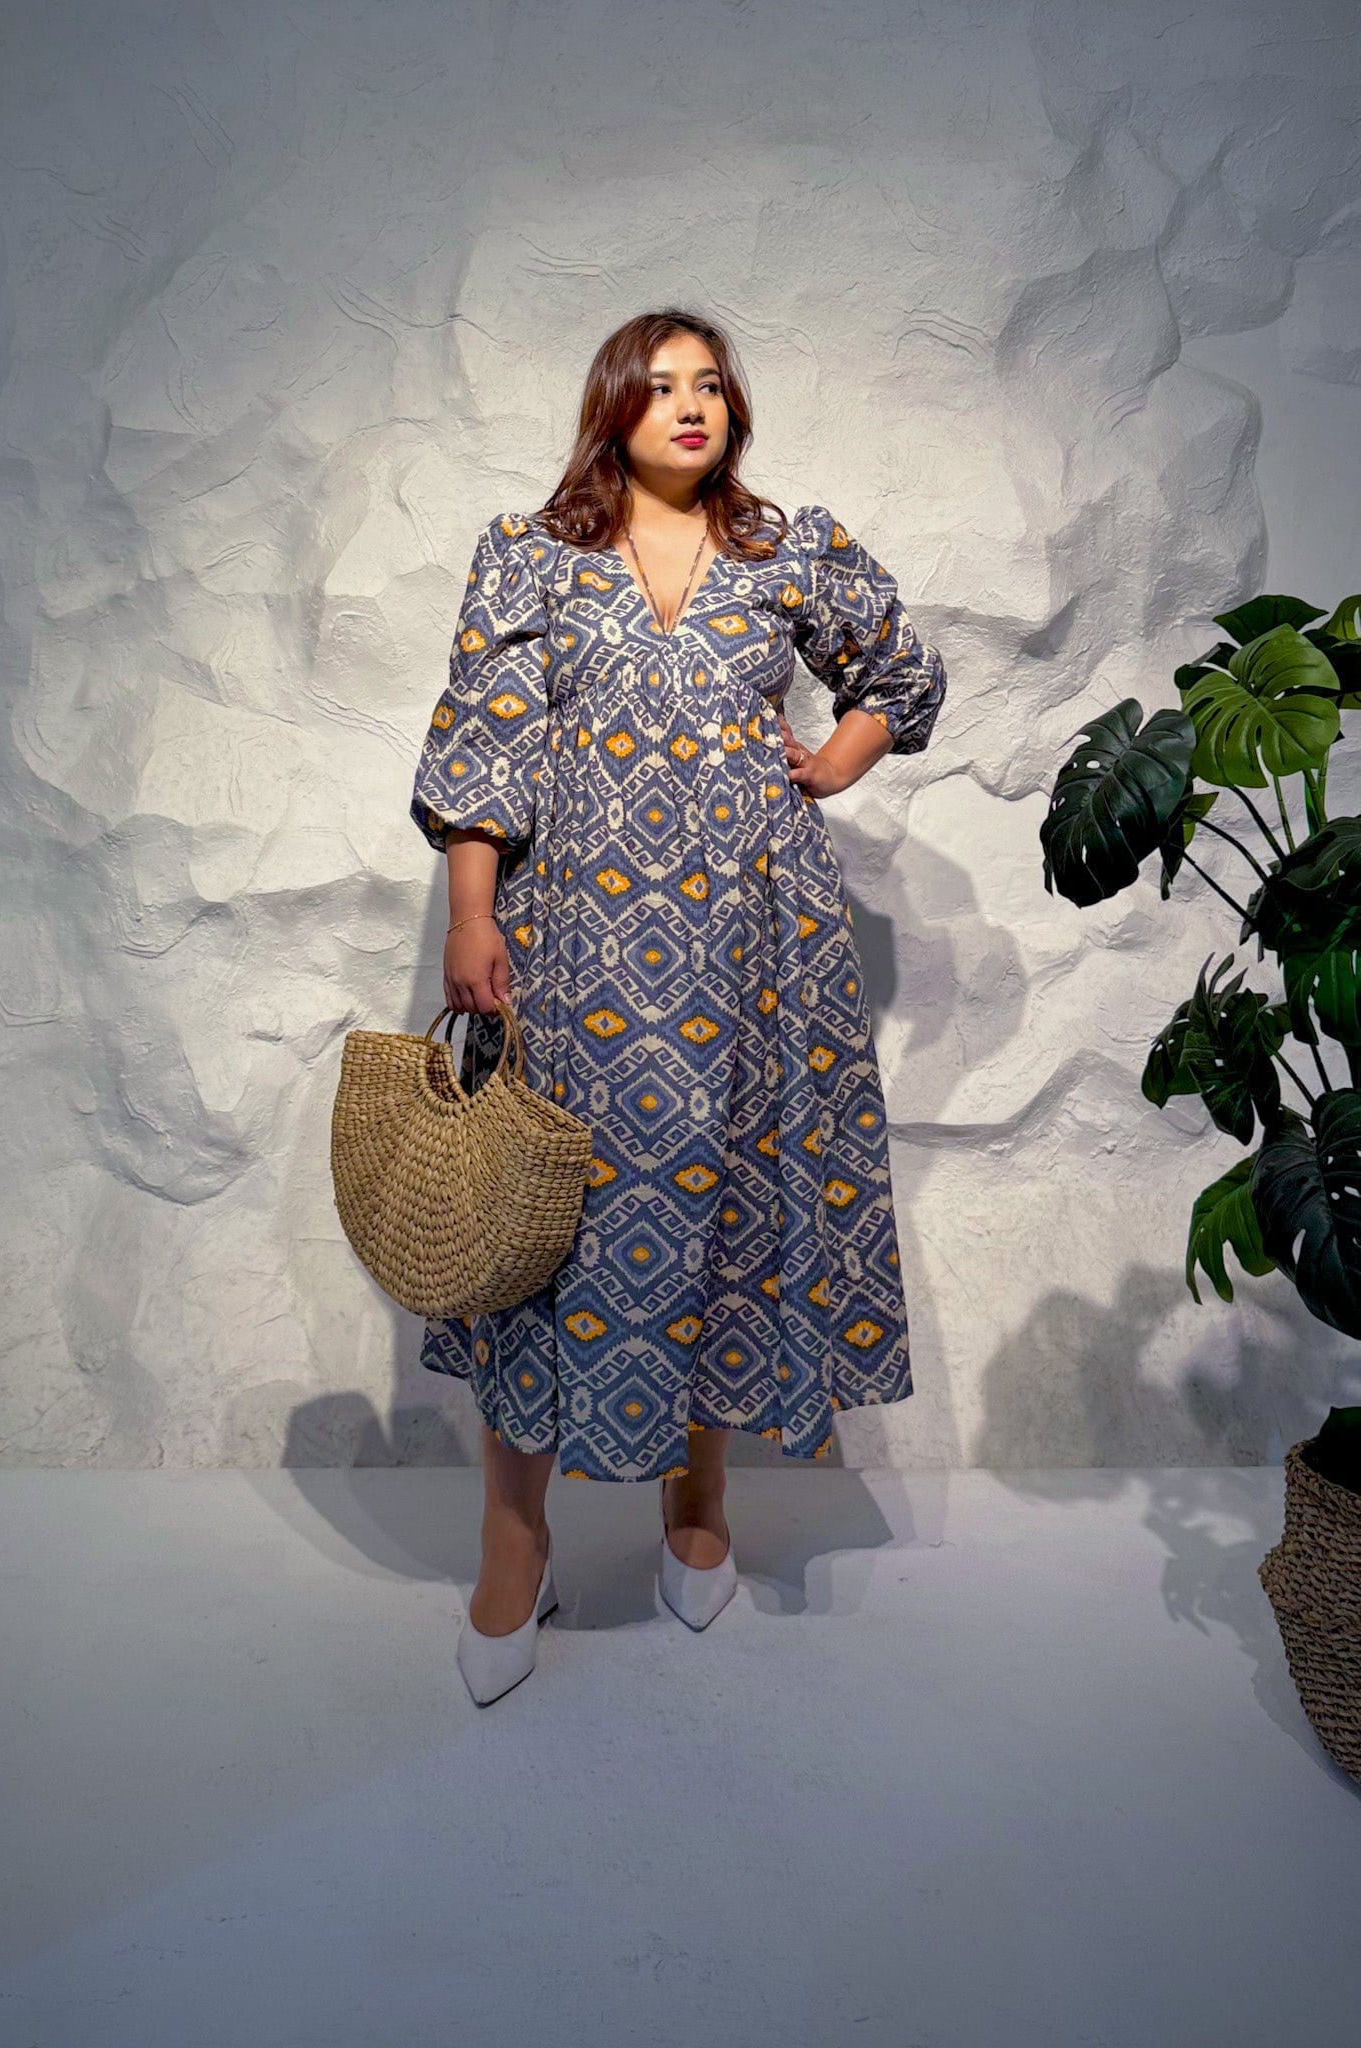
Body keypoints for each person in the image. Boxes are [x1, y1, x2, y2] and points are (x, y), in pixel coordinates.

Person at [409, 307, 948, 1702]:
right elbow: (484, 741)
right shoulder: (531, 555)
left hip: (755, 947)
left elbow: (903, 670)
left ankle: (698, 1503)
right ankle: (515, 1539)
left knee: (724, 1209)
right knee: (543, 1231)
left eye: (710, 385)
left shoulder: (787, 551)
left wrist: (837, 758)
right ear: (613, 409)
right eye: (660, 388)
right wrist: (472, 912)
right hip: (576, 949)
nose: (692, 406)